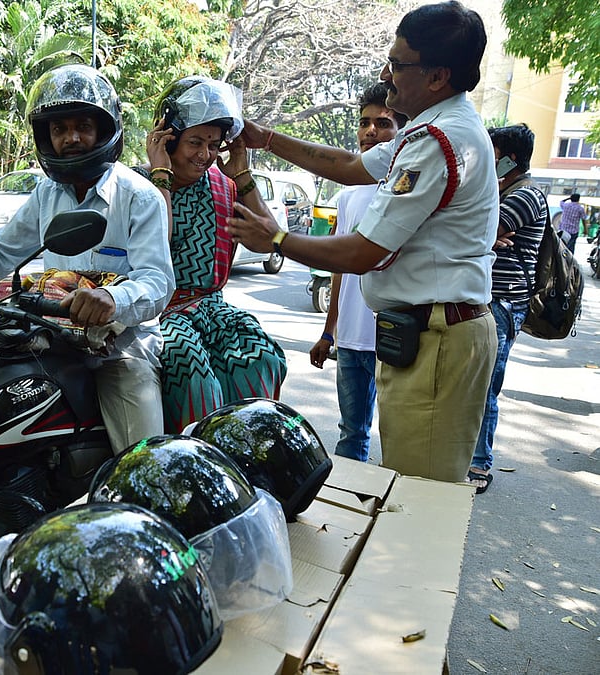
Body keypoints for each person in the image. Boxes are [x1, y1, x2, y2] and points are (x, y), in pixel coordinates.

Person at [228, 0, 499, 483]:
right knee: (410, 487)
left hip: (438, 340)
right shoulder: (429, 129)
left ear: (438, 76)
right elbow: (350, 167)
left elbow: (363, 252)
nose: (387, 73)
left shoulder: (438, 140)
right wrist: (265, 138)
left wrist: (275, 238)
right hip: (422, 336)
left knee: (419, 501)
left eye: (397, 64)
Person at [0, 64, 175, 454]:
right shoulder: (47, 194)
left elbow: (157, 281)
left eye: (82, 126)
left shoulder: (140, 196)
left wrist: (113, 300)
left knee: (141, 459)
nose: (71, 138)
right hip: (52, 336)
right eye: (59, 129)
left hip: (121, 348)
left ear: (104, 130)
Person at [138, 76, 287, 432]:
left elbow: (270, 241)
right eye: (194, 142)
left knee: (260, 356)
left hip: (211, 306)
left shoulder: (224, 186)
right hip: (159, 310)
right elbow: (156, 242)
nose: (205, 155)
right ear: (167, 138)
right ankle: (192, 462)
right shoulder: (137, 184)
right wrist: (160, 174)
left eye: (213, 145)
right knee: (190, 369)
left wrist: (242, 173)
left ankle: (252, 454)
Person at [309, 83, 407, 463]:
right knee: (352, 434)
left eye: (383, 123)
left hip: (394, 338)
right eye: (364, 122)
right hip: (350, 339)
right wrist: (328, 331)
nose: (370, 132)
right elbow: (339, 271)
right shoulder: (348, 195)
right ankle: (348, 514)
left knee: (399, 441)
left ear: (402, 131)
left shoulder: (406, 189)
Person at [467, 124, 547, 494]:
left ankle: (480, 463)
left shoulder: (525, 195)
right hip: (491, 299)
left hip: (503, 303)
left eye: (492, 154)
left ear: (509, 160)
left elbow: (478, 229)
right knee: (475, 382)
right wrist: (485, 237)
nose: (487, 160)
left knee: (486, 385)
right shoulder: (508, 191)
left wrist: (485, 235)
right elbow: (481, 233)